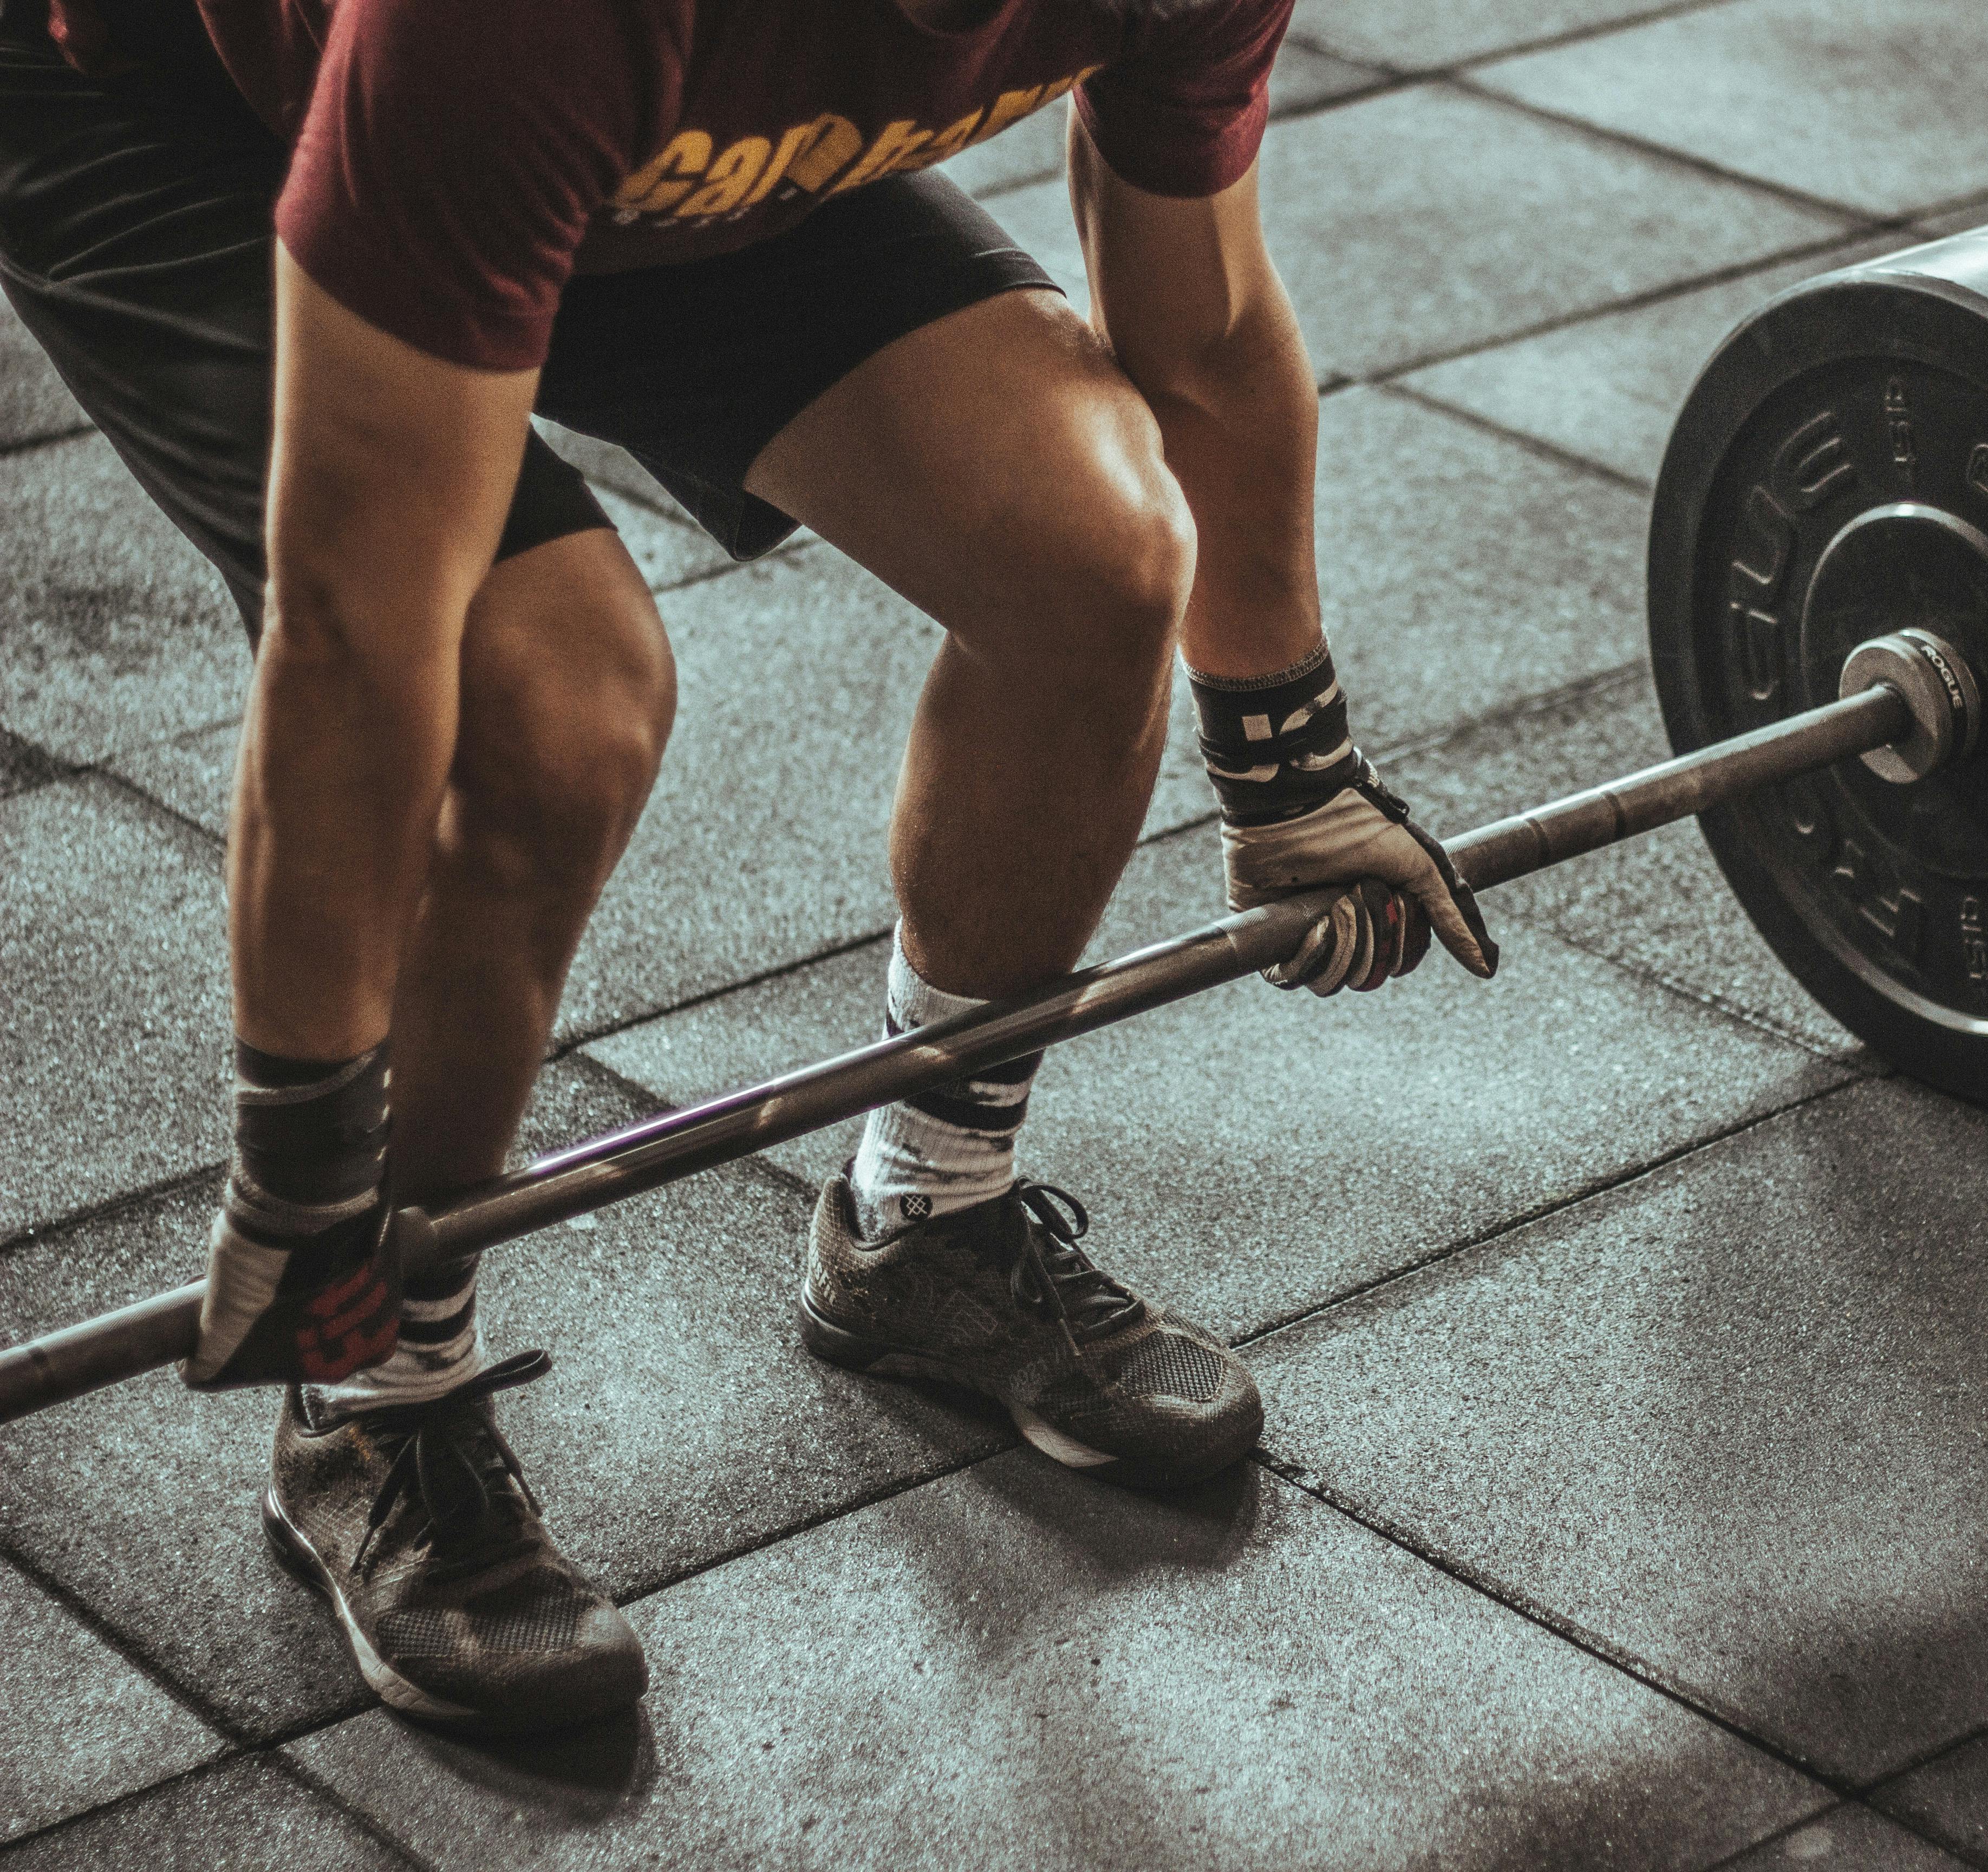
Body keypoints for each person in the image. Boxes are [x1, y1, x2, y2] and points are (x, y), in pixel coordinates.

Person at [0, 0, 1495, 1736]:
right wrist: (307, 1158)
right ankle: (374, 1395)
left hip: (655, 133)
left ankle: (923, 1220)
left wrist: (1289, 769)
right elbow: (355, 631)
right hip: (191, 108)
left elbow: (1207, 331)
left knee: (1095, 548)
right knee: (547, 701)